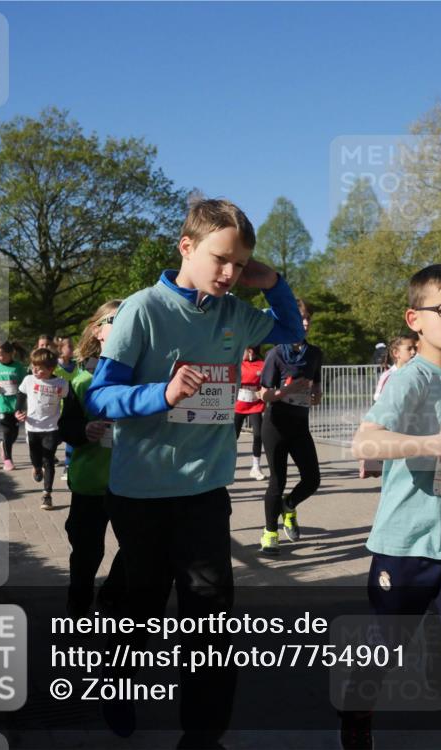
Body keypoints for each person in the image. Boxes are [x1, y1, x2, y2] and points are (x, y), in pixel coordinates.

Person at [84, 197, 305, 748]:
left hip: (205, 492)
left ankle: (203, 737)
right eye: (220, 259)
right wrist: (161, 393)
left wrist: (272, 280)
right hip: (141, 493)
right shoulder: (141, 310)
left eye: (239, 263)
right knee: (143, 608)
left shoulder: (234, 313)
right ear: (187, 247)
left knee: (210, 622)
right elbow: (100, 397)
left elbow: (286, 331)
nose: (230, 273)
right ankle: (116, 677)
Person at [347, 264, 441, 750]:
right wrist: (429, 445)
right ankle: (357, 709)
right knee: (386, 651)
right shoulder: (410, 379)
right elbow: (364, 444)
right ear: (416, 318)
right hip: (407, 545)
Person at [58, 300, 125, 619]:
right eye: (115, 319)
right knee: (86, 552)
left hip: (133, 482)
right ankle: (78, 605)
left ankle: (111, 595)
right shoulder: (81, 379)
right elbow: (66, 428)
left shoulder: (140, 370)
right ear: (97, 330)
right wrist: (85, 429)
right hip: (90, 482)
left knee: (138, 548)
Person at [258, 298, 323, 555]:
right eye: (300, 318)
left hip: (300, 424)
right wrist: (284, 391)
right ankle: (269, 532)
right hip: (275, 424)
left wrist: (317, 395)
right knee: (277, 480)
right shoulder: (275, 354)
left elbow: (316, 387)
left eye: (308, 319)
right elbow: (263, 394)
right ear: (290, 322)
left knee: (312, 479)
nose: (305, 323)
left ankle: (289, 505)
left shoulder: (315, 353)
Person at [16, 347, 69, 510]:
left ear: (51, 369)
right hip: (32, 426)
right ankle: (36, 468)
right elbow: (20, 395)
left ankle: (47, 495)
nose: (35, 370)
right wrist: (18, 411)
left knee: (49, 460)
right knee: (36, 458)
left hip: (52, 427)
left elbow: (69, 403)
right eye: (33, 366)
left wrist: (66, 421)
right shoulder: (28, 380)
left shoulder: (61, 383)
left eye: (39, 368)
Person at [360, 333, 418, 479]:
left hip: (411, 425)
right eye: (409, 349)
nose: (413, 352)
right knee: (392, 469)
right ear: (396, 353)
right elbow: (378, 399)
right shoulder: (388, 375)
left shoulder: (417, 373)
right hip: (392, 427)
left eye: (415, 349)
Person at [0, 341, 28, 471]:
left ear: (10, 354)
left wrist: (24, 405)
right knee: (7, 431)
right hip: (2, 404)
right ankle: (7, 459)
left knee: (14, 433)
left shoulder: (18, 367)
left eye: (0, 355)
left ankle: (4, 445)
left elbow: (24, 385)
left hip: (16, 405)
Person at [234, 344, 267, 482]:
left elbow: (266, 383)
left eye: (251, 350)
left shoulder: (262, 364)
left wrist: (263, 392)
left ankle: (255, 467)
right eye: (247, 350)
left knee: (259, 434)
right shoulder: (238, 363)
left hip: (255, 405)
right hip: (239, 405)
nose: (249, 352)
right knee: (232, 437)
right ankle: (229, 466)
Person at [55, 335, 80, 480]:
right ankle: (45, 461)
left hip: (73, 406)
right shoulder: (55, 368)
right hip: (57, 409)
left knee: (71, 437)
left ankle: (68, 466)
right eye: (69, 346)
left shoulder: (78, 365)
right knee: (56, 439)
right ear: (61, 349)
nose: (72, 349)